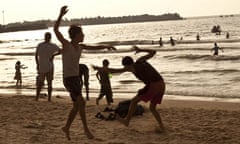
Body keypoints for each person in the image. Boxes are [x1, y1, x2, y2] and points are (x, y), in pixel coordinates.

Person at [54, 6, 116, 140]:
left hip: (76, 79)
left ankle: (66, 128)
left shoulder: (81, 47)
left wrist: (106, 46)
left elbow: (94, 47)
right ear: (76, 35)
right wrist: (60, 15)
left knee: (77, 105)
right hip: (69, 79)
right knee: (81, 102)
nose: (83, 35)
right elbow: (56, 30)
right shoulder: (66, 45)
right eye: (82, 34)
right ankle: (86, 130)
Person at [93, 46, 166, 132]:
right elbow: (153, 52)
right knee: (152, 108)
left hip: (153, 86)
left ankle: (127, 121)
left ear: (126, 65)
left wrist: (99, 68)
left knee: (134, 101)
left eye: (125, 67)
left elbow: (114, 71)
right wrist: (141, 50)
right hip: (162, 84)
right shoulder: (141, 60)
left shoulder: (131, 67)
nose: (125, 69)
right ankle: (161, 126)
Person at [35, 32, 61, 102]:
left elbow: (36, 55)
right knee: (48, 83)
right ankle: (48, 98)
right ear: (50, 38)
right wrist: (53, 55)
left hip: (44, 66)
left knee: (41, 83)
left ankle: (38, 98)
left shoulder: (41, 45)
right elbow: (60, 51)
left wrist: (37, 64)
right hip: (48, 66)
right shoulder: (51, 45)